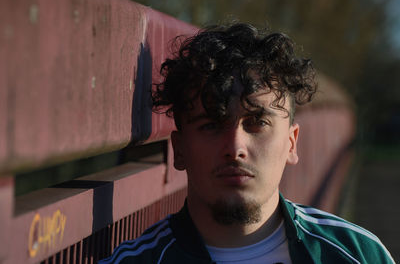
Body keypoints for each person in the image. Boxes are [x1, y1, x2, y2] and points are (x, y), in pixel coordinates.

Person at [99, 23, 394, 264]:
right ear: (180, 149)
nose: (235, 146)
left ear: (292, 143)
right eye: (211, 125)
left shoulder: (358, 255)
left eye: (257, 123)